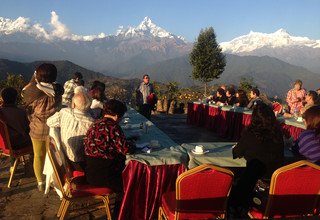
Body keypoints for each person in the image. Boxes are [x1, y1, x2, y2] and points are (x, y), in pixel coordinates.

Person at [230, 103, 284, 215]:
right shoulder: (278, 134)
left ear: (254, 118)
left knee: (234, 183)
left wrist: (238, 146)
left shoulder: (250, 133)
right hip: (276, 182)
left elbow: (236, 153)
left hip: (253, 183)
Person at [22, 63, 64, 191]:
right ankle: (53, 180)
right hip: (54, 129)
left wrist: (34, 79)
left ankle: (40, 182)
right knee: (53, 157)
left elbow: (24, 93)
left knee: (38, 155)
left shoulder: (32, 91)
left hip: (37, 128)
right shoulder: (58, 89)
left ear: (38, 76)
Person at [84, 99, 134, 193]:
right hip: (105, 175)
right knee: (132, 182)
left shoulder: (95, 124)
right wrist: (133, 145)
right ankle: (121, 206)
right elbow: (126, 150)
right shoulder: (113, 126)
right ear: (116, 116)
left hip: (90, 172)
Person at [47, 92, 94, 171]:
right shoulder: (92, 124)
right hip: (81, 164)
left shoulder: (65, 112)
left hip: (64, 158)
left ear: (73, 105)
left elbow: (49, 122)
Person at [0, 87, 31, 151]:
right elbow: (28, 128)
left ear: (2, 98)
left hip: (3, 145)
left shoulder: (1, 111)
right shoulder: (21, 112)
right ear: (15, 99)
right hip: (18, 144)